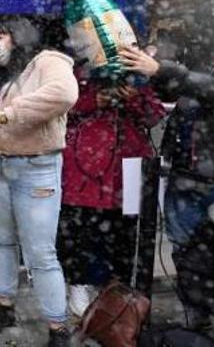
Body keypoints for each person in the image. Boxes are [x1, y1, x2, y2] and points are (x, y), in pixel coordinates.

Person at [121, 0, 214, 329]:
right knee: (186, 252)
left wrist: (161, 70)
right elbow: (182, 89)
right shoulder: (203, 62)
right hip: (184, 176)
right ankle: (197, 319)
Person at [0, 16, 78, 347]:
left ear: (19, 37)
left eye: (1, 36)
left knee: (40, 252)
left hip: (35, 166)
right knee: (3, 240)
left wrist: (8, 113)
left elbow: (65, 93)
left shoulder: (46, 62)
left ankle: (58, 326)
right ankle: (4, 306)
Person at [57, 66, 165, 318]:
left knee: (123, 233)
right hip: (83, 168)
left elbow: (154, 114)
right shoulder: (75, 72)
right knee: (81, 230)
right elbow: (57, 109)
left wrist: (133, 97)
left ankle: (116, 292)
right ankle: (80, 285)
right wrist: (93, 100)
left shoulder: (135, 76)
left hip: (126, 168)